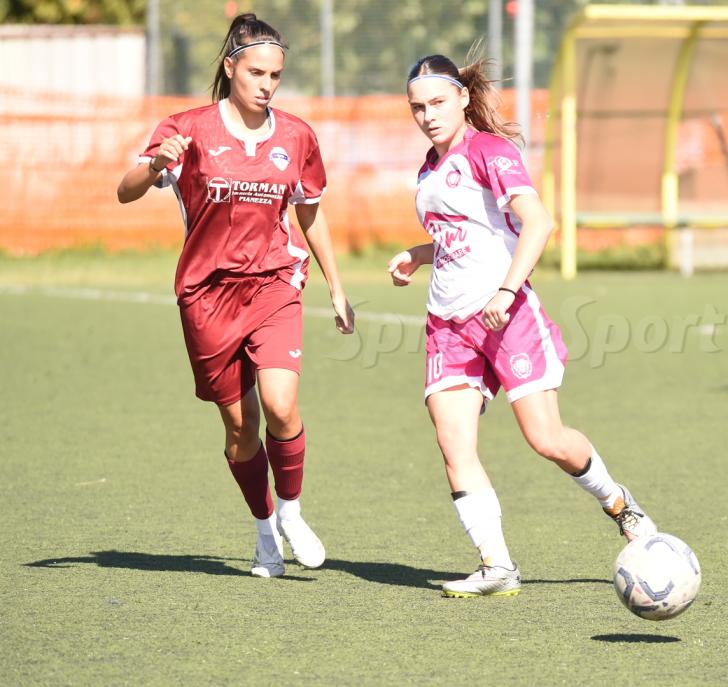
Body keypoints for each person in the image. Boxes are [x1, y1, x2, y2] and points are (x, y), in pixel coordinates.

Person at [387, 52, 658, 598]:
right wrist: (419, 254)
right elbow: (463, 235)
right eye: (418, 107)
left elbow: (538, 222)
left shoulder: (491, 151)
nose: (428, 115)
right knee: (453, 444)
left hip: (507, 317)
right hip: (448, 324)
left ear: (463, 97)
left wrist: (507, 291)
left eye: (438, 102)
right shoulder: (428, 167)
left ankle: (620, 504)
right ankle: (497, 566)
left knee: (546, 439)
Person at [117, 14, 354, 577]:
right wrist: (157, 164)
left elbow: (309, 211)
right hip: (207, 296)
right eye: (256, 72)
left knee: (280, 404)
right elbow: (125, 191)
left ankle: (292, 513)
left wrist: (336, 285)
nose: (267, 84)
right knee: (242, 429)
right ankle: (265, 529)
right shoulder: (186, 129)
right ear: (230, 68)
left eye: (275, 75)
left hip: (274, 283)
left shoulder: (297, 136)